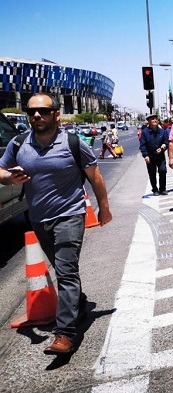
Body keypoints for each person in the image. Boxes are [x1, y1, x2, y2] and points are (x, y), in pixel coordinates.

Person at [0, 93, 112, 354]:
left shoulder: (73, 143)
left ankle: (65, 334)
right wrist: (9, 178)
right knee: (64, 270)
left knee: (66, 271)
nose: (37, 116)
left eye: (44, 111)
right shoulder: (18, 144)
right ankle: (80, 305)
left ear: (56, 114)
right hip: (38, 218)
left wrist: (103, 209)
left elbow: (96, 178)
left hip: (70, 216)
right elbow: (1, 170)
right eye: (31, 112)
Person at [140, 114, 169, 196]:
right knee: (152, 173)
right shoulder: (145, 132)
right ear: (149, 121)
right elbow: (142, 145)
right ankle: (155, 189)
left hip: (160, 156)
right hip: (150, 156)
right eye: (152, 119)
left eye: (156, 119)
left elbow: (166, 142)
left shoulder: (162, 131)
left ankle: (162, 189)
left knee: (163, 171)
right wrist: (145, 155)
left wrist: (163, 148)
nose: (155, 120)